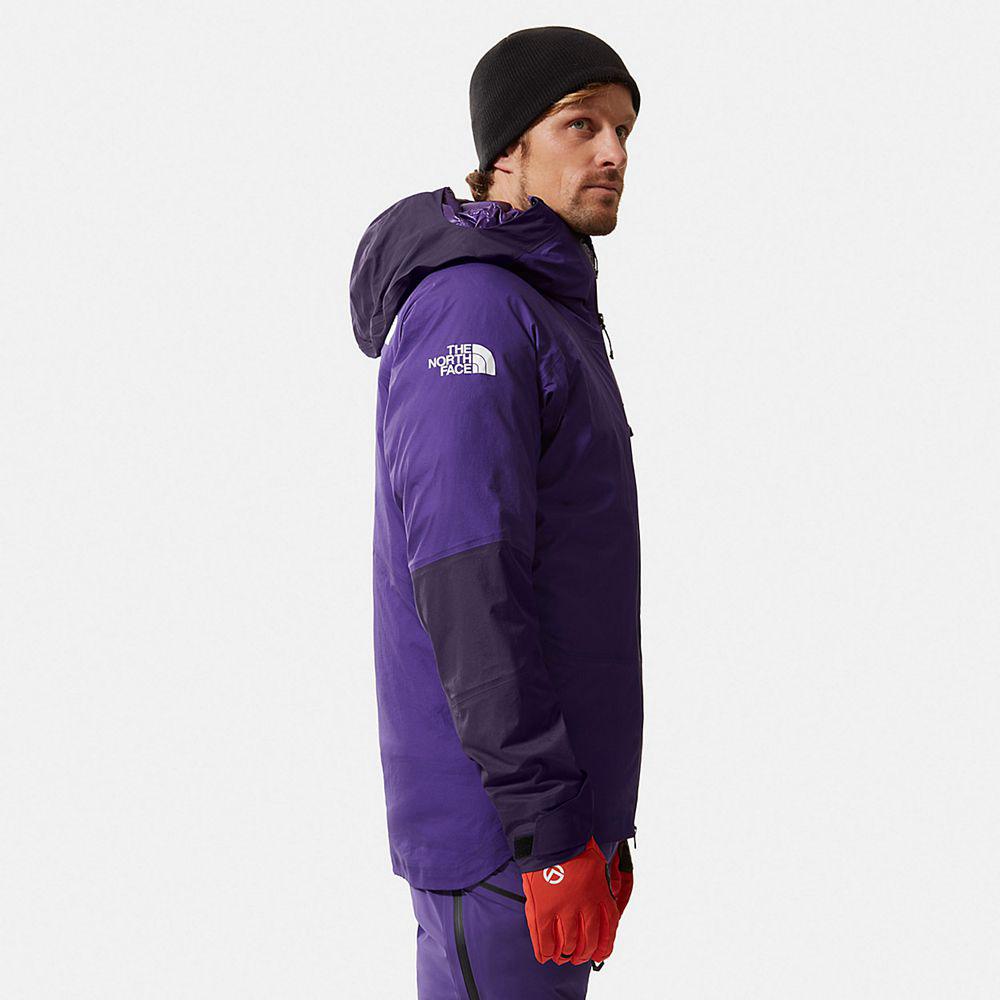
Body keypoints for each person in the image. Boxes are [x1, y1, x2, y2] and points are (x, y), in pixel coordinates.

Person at [349, 25, 643, 998]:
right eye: (581, 125)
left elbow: (572, 581)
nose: (613, 152)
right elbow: (468, 592)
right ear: (507, 147)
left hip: (554, 827)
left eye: (624, 130)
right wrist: (548, 833)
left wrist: (600, 822)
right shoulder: (474, 309)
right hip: (502, 841)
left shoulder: (547, 309)